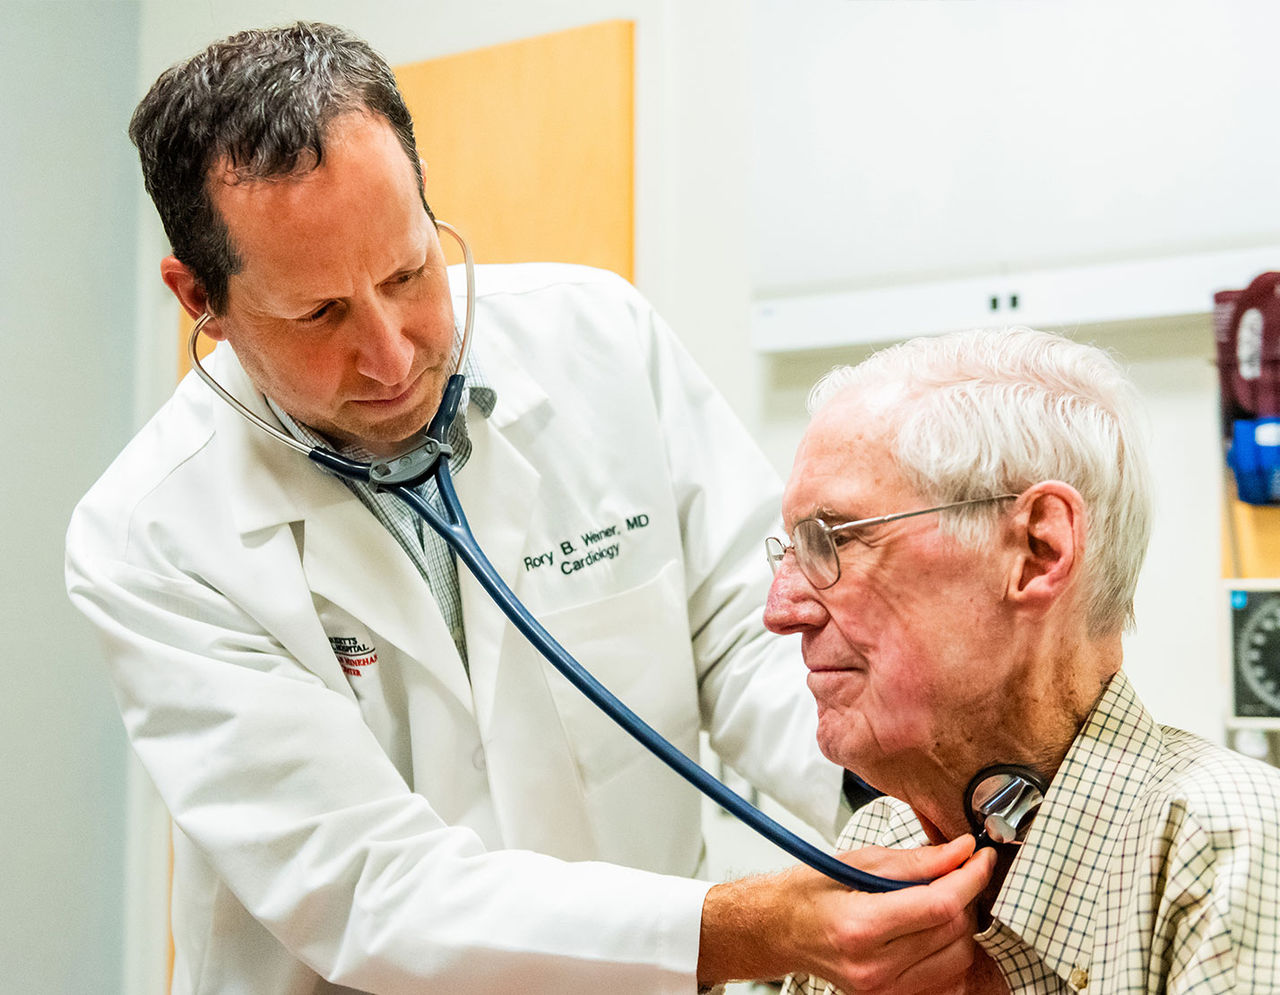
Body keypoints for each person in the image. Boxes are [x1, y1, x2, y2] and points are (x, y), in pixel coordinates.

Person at [65, 22, 994, 995]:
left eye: (407, 273)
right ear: (199, 299)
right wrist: (745, 929)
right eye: (319, 314)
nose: (391, 355)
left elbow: (752, 635)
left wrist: (895, 789)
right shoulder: (151, 535)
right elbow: (368, 889)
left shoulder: (601, 339)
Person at [765, 326, 1280, 994]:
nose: (781, 609)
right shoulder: (880, 840)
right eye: (791, 550)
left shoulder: (1234, 846)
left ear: (1039, 550)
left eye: (834, 540)